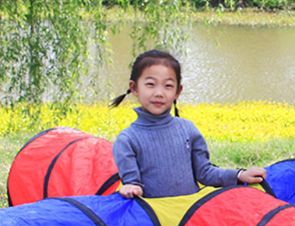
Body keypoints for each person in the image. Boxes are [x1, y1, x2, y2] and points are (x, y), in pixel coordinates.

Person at [110, 49, 266, 198]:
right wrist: (131, 187)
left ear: (178, 91)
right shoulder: (127, 140)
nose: (159, 93)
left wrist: (240, 175)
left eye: (168, 86)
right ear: (134, 88)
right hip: (154, 220)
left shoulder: (187, 129)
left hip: (189, 217)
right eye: (150, 84)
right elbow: (132, 184)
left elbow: (205, 173)